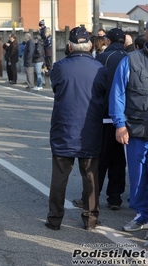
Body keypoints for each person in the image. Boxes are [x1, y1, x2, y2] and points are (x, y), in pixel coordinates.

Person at [45, 26, 106, 231]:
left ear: (69, 46)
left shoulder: (59, 67)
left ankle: (55, 219)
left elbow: (55, 88)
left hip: (64, 128)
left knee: (60, 176)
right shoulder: (100, 68)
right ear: (89, 45)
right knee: (90, 175)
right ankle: (90, 219)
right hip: (90, 129)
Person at [72, 28, 128, 211]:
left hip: (104, 116)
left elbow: (94, 87)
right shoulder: (131, 58)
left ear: (108, 41)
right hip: (126, 119)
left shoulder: (103, 59)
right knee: (119, 159)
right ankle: (115, 198)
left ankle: (91, 197)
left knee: (99, 159)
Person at [108, 22, 148, 232]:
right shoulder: (130, 60)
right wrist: (120, 125)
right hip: (136, 130)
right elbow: (118, 95)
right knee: (138, 177)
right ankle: (142, 215)